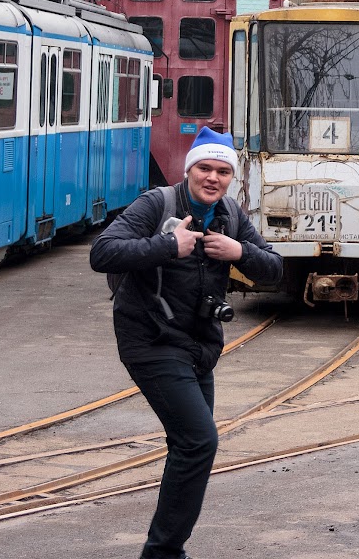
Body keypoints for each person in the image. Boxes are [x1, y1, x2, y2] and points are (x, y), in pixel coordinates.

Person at [90, 127, 282, 559]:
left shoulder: (231, 214)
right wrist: (165, 245)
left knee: (190, 447)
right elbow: (102, 253)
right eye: (204, 168)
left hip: (200, 347)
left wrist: (240, 253)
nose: (212, 178)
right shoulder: (155, 204)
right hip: (151, 340)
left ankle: (166, 550)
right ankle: (163, 553)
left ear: (231, 177)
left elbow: (275, 269)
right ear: (189, 169)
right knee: (200, 441)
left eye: (222, 171)